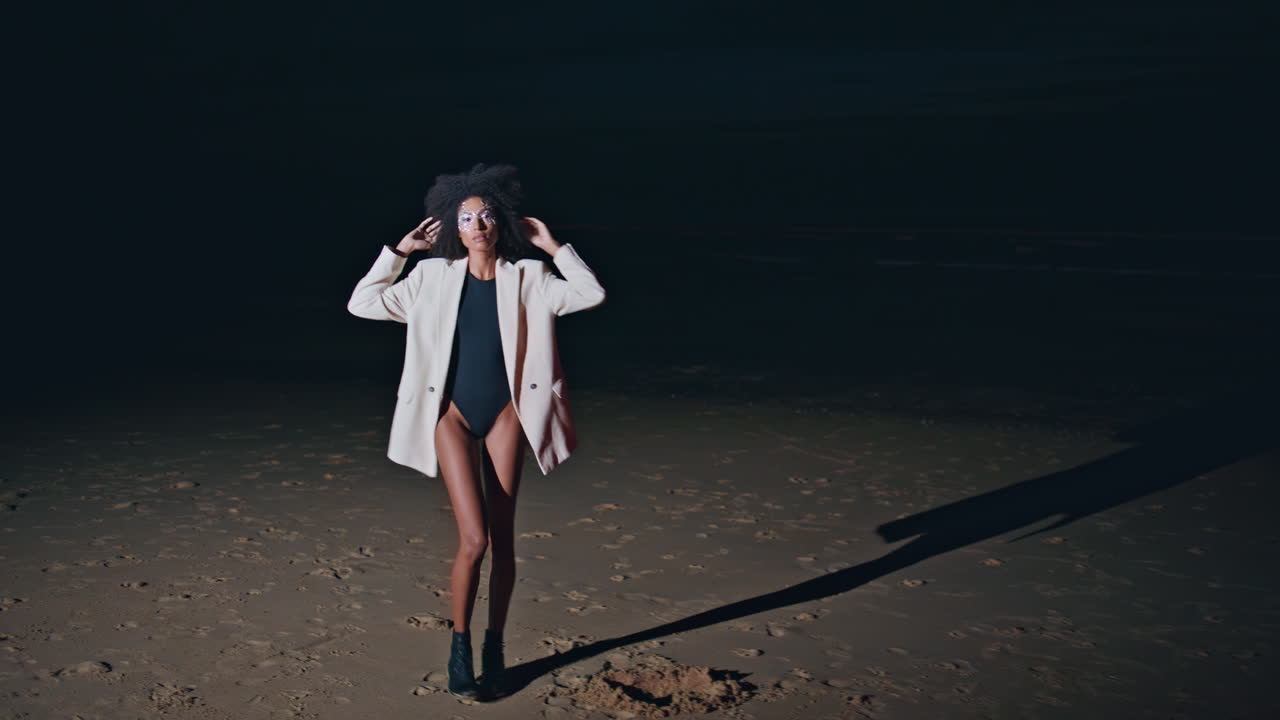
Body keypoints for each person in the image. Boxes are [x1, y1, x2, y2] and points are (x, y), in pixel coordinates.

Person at [346, 163, 606, 699]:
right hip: (453, 416)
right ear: (452, 227)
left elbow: (590, 294)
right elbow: (362, 303)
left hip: (508, 414)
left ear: (501, 221)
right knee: (475, 539)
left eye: (486, 215)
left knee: (504, 542)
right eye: (465, 218)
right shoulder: (430, 278)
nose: (477, 225)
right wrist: (399, 253)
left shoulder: (530, 277)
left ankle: (495, 645)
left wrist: (554, 247)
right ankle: (459, 646)